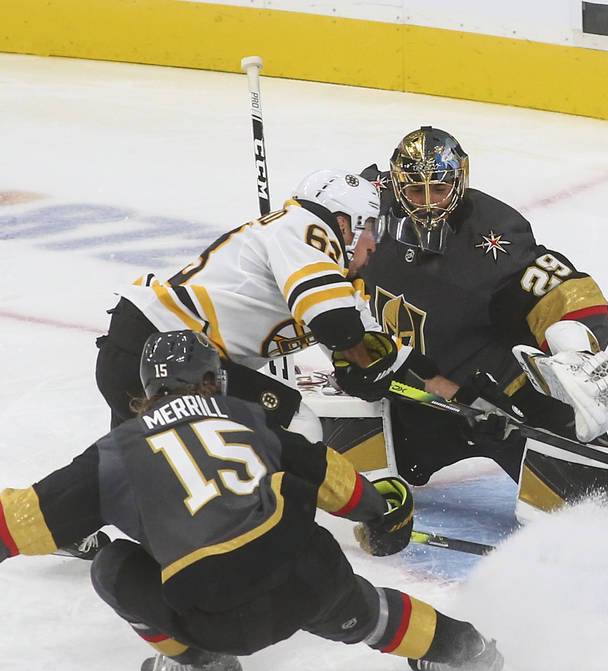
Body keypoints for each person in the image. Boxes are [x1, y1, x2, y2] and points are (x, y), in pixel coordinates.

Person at [0, 330, 503, 671]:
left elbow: (21, 522)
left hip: (216, 617)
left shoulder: (114, 453)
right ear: (214, 381)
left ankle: (204, 664)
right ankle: (467, 648)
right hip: (309, 579)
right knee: (364, 611)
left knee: (112, 567)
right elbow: (329, 474)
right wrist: (379, 514)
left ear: (148, 393)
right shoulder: (247, 417)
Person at [77, 170, 451, 559]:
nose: (376, 243)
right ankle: (279, 546)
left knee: (130, 466)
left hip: (141, 349)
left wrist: (439, 382)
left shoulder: (326, 266)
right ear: (343, 223)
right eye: (370, 227)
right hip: (169, 354)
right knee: (295, 425)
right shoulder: (304, 228)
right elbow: (338, 327)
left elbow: (367, 347)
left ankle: (72, 523)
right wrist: (373, 508)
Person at [352, 126, 608, 487]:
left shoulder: (491, 232)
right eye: (417, 190)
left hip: (501, 400)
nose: (429, 202)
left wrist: (576, 352)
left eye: (440, 188)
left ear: (459, 182)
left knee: (586, 488)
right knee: (370, 470)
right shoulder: (365, 207)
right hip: (418, 397)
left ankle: (595, 473)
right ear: (398, 186)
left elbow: (561, 291)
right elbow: (308, 244)